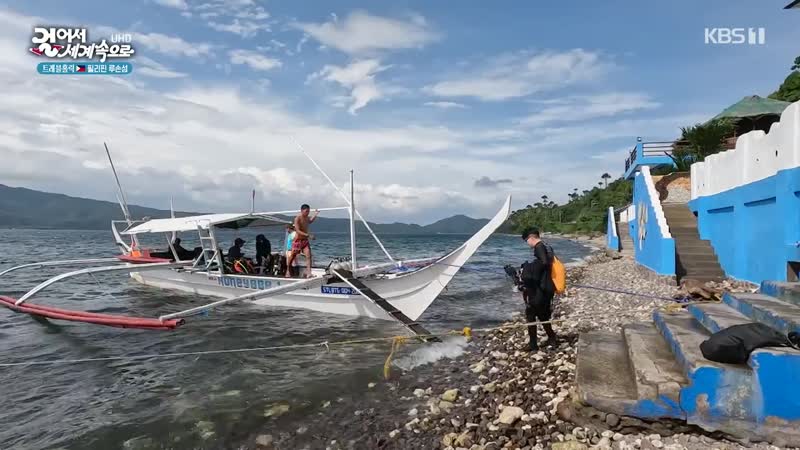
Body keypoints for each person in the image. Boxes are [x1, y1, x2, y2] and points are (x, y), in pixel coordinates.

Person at [521, 227, 558, 352]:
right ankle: (552, 338)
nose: (527, 243)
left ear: (531, 237)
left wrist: (528, 268)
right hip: (547, 287)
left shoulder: (539, 247)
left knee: (531, 314)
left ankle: (533, 345)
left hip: (540, 288)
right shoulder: (547, 246)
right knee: (542, 315)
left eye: (526, 240)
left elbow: (544, 263)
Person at [285, 204, 319, 278]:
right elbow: (297, 230)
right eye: (306, 211)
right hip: (298, 241)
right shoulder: (297, 218)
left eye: (308, 211)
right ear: (302, 211)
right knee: (292, 256)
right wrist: (308, 235)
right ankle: (288, 270)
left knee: (308, 256)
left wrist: (315, 214)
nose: (307, 213)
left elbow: (310, 221)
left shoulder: (307, 218)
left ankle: (309, 273)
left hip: (305, 241)